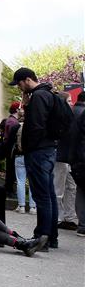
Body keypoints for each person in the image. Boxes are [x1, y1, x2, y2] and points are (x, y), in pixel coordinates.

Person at [10, 67, 60, 249]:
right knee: (49, 194)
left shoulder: (39, 96)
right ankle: (51, 237)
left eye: (19, 84)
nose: (19, 88)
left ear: (27, 80)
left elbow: (37, 126)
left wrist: (29, 148)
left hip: (38, 152)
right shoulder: (48, 93)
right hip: (48, 150)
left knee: (42, 196)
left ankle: (42, 237)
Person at [55, 91, 79, 230]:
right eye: (69, 101)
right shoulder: (60, 118)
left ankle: (69, 217)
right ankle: (59, 217)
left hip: (67, 158)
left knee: (72, 187)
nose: (71, 103)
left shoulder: (69, 116)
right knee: (59, 188)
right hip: (61, 157)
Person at [66, 92, 85, 236]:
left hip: (77, 160)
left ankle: (82, 225)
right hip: (80, 158)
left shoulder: (72, 112)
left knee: (80, 191)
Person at [11, 109, 36, 214]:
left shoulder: (17, 127)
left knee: (20, 181)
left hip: (19, 156)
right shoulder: (34, 127)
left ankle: (21, 206)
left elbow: (11, 141)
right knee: (32, 182)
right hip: (32, 156)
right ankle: (32, 207)